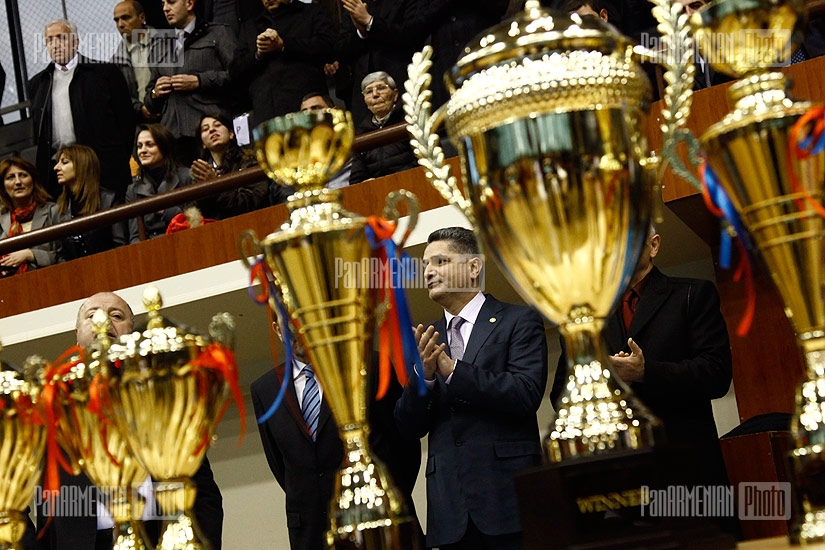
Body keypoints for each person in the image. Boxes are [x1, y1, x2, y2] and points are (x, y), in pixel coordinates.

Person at [550, 226, 735, 533]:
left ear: (654, 245)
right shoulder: (582, 314)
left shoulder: (692, 294)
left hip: (686, 467)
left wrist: (646, 372)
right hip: (616, 477)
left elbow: (716, 375)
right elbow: (560, 396)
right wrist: (598, 379)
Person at [395, 226, 548, 550]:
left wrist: (452, 371)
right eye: (425, 265)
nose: (429, 272)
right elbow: (407, 428)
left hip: (510, 502)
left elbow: (524, 393)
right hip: (450, 510)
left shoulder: (518, 321)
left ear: (473, 267)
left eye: (439, 261)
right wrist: (426, 379)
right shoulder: (426, 338)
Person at [36, 291, 225, 550]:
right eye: (91, 316)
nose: (103, 320)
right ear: (77, 334)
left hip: (160, 538)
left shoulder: (163, 394)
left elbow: (204, 494)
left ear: (131, 331)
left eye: (117, 315)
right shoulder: (52, 404)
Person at [251, 325, 421, 550]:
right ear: (277, 330)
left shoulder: (368, 365)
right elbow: (280, 465)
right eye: (289, 329)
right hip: (310, 534)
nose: (298, 335)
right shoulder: (265, 389)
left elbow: (405, 445)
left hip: (377, 525)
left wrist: (383, 502)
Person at [28, 19, 135, 199]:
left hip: (103, 167)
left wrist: (117, 159)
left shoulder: (104, 73)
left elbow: (126, 121)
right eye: (49, 40)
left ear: (76, 42)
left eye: (61, 38)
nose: (55, 45)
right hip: (59, 172)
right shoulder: (38, 84)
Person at [144, 0, 237, 165]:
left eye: (171, 2)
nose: (165, 8)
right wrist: (155, 93)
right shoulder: (159, 46)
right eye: (163, 3)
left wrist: (199, 81)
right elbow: (150, 101)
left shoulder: (217, 33)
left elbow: (238, 76)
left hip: (210, 132)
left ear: (189, 4)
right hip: (172, 138)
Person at [231, 0, 335, 127]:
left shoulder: (312, 12)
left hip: (306, 106)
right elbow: (235, 71)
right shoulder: (249, 27)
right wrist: (258, 55)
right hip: (267, 114)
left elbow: (329, 48)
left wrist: (283, 45)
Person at [332, 0, 426, 125]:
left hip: (401, 84)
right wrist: (361, 32)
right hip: (362, 94)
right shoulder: (355, 3)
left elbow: (412, 35)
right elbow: (341, 49)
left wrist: (370, 22)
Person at [50, 145, 127, 262]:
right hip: (76, 275)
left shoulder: (108, 200)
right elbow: (60, 255)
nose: (56, 167)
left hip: (111, 268)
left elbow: (120, 245)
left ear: (82, 166)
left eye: (64, 162)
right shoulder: (57, 210)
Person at [190, 112, 268, 219]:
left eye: (217, 125)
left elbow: (251, 202)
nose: (212, 130)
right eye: (205, 129)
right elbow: (200, 214)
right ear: (203, 144)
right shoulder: (201, 173)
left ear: (231, 134)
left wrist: (215, 185)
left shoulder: (249, 161)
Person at [125, 124, 192, 243]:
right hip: (151, 249)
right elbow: (135, 236)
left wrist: (164, 210)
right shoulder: (133, 189)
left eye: (150, 145)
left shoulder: (186, 177)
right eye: (139, 146)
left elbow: (194, 221)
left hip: (184, 241)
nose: (143, 151)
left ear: (164, 147)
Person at [349, 72, 417, 185]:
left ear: (395, 95)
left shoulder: (411, 119)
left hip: (414, 184)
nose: (375, 94)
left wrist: (387, 181)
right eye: (369, 91)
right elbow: (356, 179)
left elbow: (424, 161)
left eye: (380, 88)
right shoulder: (361, 133)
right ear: (365, 101)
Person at [0, 157, 55, 275]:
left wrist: (30, 255)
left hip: (49, 280)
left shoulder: (53, 211)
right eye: (10, 177)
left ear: (33, 180)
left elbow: (65, 255)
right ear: (3, 187)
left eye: (23, 175)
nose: (18, 182)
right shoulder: (1, 219)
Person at [111, 0, 162, 123]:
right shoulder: (117, 61)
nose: (120, 24)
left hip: (169, 112)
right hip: (141, 120)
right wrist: (141, 109)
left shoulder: (166, 44)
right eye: (117, 20)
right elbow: (120, 94)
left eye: (125, 18)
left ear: (142, 17)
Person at [299, 93, 351, 189]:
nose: (309, 115)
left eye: (316, 108)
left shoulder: (353, 144)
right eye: (304, 112)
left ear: (335, 111)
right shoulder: (296, 156)